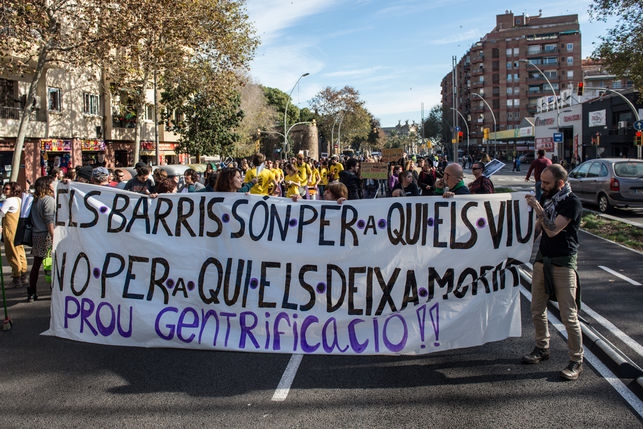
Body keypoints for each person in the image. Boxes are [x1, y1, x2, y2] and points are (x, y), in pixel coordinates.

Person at [523, 164, 584, 381]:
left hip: (563, 263)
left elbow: (552, 229)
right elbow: (538, 231)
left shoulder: (571, 203)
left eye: (546, 183)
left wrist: (539, 210)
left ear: (560, 183)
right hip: (542, 261)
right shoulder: (549, 200)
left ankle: (576, 360)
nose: (542, 186)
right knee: (537, 309)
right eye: (541, 182)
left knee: (569, 315)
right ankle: (542, 347)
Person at [27, 175, 56, 302]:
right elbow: (49, 220)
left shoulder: (35, 200)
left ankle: (32, 291)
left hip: (37, 234)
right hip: (47, 235)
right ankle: (53, 290)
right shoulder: (48, 200)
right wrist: (54, 236)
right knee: (50, 265)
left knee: (36, 265)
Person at [0, 182, 28, 288]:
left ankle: (17, 277)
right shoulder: (19, 200)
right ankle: (23, 275)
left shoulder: (9, 200)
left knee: (12, 253)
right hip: (18, 230)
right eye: (4, 188)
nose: (4, 190)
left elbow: (1, 214)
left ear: (13, 190)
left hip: (10, 230)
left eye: (6, 189)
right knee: (20, 252)